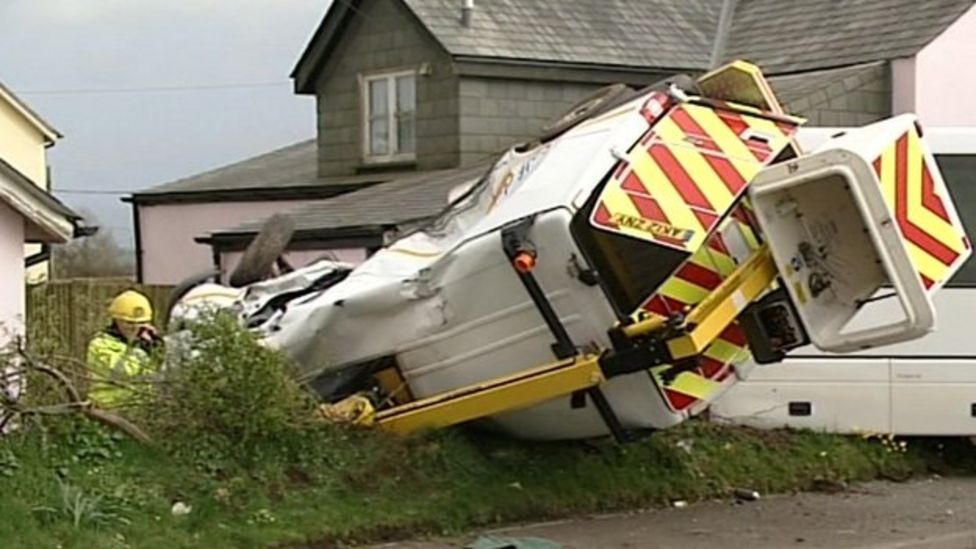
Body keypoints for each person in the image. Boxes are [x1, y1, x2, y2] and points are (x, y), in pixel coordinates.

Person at [86, 290, 161, 407]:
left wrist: (158, 348)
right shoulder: (100, 344)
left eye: (141, 323)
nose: (135, 328)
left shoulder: (144, 343)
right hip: (110, 409)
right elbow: (121, 374)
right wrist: (137, 348)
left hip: (141, 408)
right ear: (116, 321)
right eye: (129, 323)